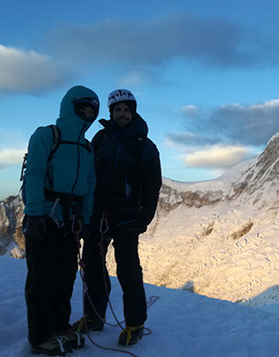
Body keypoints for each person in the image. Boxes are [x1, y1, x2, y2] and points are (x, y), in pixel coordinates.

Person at [73, 89, 161, 346]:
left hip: (126, 217)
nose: (122, 114)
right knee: (92, 265)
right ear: (110, 113)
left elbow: (151, 184)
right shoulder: (101, 139)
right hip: (98, 213)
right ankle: (94, 316)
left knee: (128, 270)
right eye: (117, 110)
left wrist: (144, 218)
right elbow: (90, 175)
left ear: (133, 113)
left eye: (126, 110)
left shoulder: (144, 145)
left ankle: (135, 322)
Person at [23, 85, 98, 355]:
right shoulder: (47, 136)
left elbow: (90, 185)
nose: (87, 116)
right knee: (42, 278)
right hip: (45, 215)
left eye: (92, 112)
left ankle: (60, 326)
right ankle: (41, 335)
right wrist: (34, 213)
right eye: (83, 110)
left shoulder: (86, 148)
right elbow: (34, 173)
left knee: (64, 277)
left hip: (71, 220)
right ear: (71, 108)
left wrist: (87, 220)